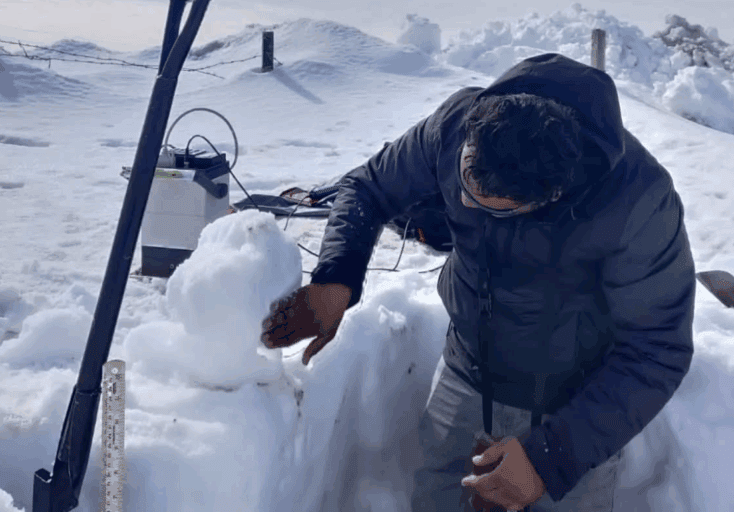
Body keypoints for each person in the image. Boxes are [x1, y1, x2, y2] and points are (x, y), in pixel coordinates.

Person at [261, 53, 696, 511]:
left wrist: (549, 460)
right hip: (466, 374)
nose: (469, 206)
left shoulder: (638, 200)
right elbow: (368, 186)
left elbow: (657, 347)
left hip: (576, 404)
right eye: (466, 186)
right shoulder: (454, 125)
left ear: (552, 195)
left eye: (494, 207)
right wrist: (337, 277)